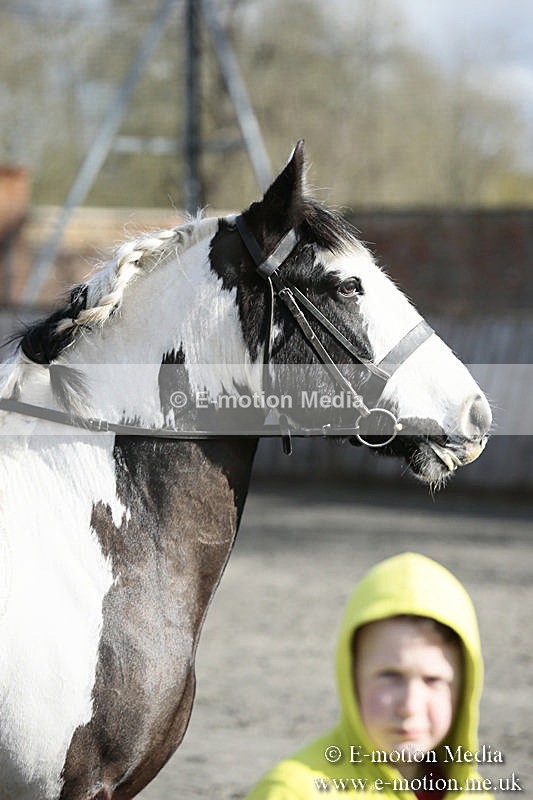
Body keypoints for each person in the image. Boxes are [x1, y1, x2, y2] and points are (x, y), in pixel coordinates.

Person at [246, 552, 495, 799]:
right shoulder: (292, 792)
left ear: (465, 686)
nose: (410, 706)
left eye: (433, 680)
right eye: (389, 675)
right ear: (351, 675)